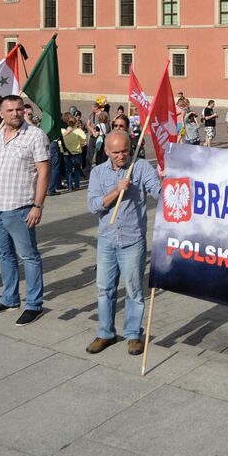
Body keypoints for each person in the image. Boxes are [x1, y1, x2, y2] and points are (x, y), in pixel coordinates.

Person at [85, 129, 162, 356]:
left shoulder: (141, 167)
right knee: (105, 289)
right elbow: (93, 205)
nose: (121, 156)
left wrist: (166, 179)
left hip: (132, 240)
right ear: (107, 151)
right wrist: (115, 191)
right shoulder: (98, 172)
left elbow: (158, 193)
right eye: (116, 152)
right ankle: (105, 333)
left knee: (134, 291)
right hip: (107, 240)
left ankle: (133, 335)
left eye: (125, 151)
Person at [0, 93, 51, 324]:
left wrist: (37, 205)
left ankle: (34, 304)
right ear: (1, 114)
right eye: (10, 110)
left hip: (20, 207)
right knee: (3, 254)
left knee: (29, 256)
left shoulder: (35, 136)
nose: (15, 113)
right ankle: (9, 297)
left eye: (19, 109)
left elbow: (44, 173)